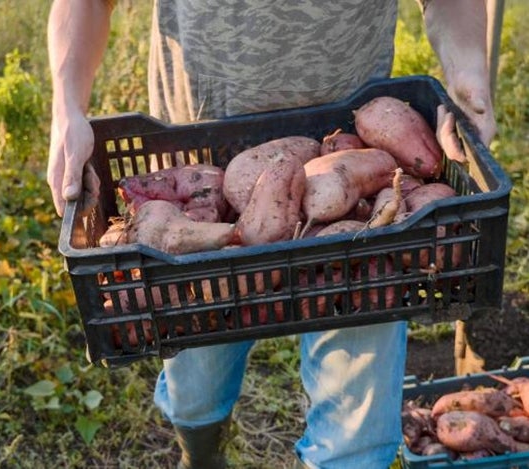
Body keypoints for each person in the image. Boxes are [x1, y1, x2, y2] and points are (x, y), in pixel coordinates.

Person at [46, 1, 496, 468]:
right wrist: (66, 108)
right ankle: (201, 455)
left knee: (355, 440)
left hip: (355, 158)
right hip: (198, 169)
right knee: (196, 391)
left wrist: (468, 70)